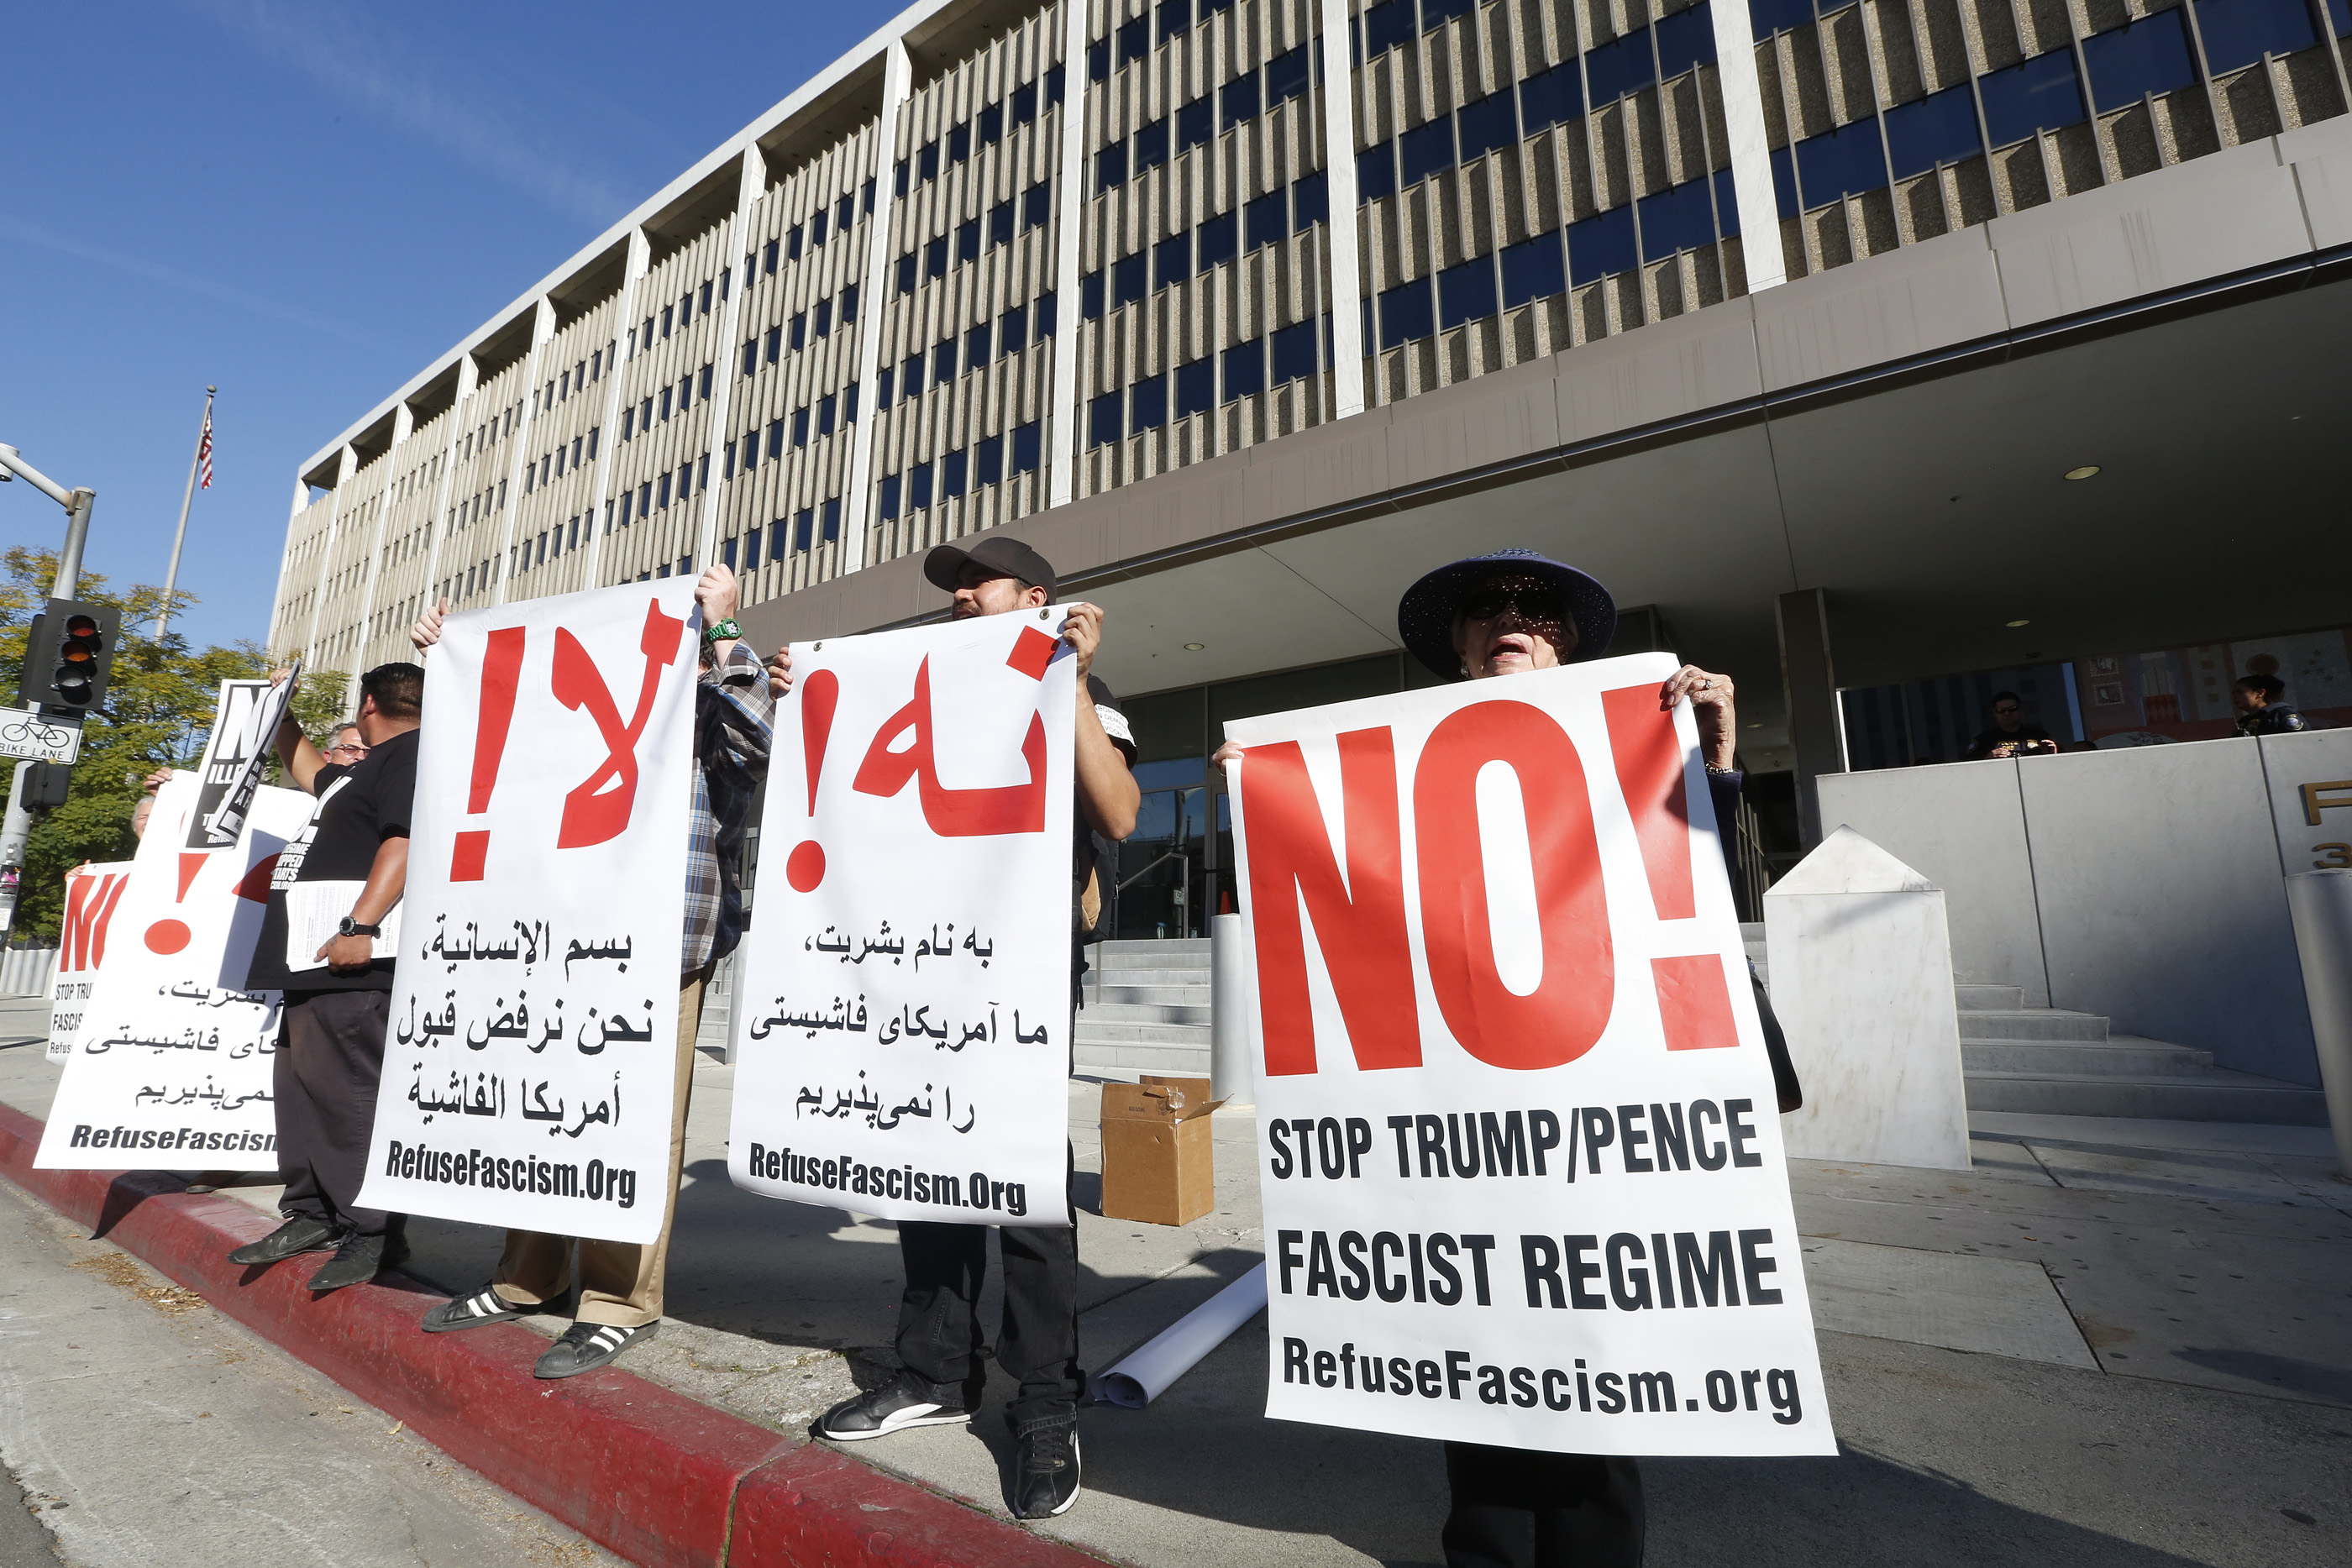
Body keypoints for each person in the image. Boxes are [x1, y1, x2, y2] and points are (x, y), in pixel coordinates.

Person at [1215, 548, 1798, 1568]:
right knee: (1473, 1354)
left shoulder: (1644, 738)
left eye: (1533, 607)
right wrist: (1266, 799)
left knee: (1594, 1367)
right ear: (1457, 643)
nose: (1508, 618)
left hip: (1604, 1107)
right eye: (1485, 608)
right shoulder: (1389, 768)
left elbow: (1703, 908)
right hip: (1462, 1115)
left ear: (1565, 640)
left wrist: (1709, 769)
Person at [770, 533, 1138, 1520]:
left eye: (981, 583)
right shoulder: (913, 693)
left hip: (1010, 973)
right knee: (921, 1156)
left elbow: (1122, 808)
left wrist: (1068, 681)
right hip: (909, 967)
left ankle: (1046, 1399)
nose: (963, 597)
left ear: (1038, 597)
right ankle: (935, 1369)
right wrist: (804, 699)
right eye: (955, 587)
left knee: (1021, 1181)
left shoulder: (1075, 692)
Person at [412, 565, 774, 1377]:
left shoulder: (699, 710)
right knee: (538, 1115)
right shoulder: (555, 729)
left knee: (634, 1124)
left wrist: (721, 632)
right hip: (544, 944)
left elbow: (760, 735)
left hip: (654, 949)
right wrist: (454, 658)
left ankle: (617, 1301)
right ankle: (525, 1279)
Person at [228, 663, 424, 1293]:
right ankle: (311, 1212)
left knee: (350, 1098)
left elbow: (405, 841)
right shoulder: (357, 774)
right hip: (312, 960)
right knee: (301, 1090)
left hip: (355, 959)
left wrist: (359, 925)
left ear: (368, 704)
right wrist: (278, 708)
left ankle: (373, 1230)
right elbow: (301, 758)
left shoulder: (411, 755)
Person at [1962, 691, 2058, 760]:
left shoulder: (2040, 737)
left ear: (2021, 710)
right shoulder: (1984, 740)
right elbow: (1966, 770)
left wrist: (2053, 756)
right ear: (1994, 713)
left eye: (2012, 709)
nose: (2007, 714)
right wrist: (1987, 759)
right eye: (2001, 711)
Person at [2232, 673, 2307, 736]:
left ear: (2260, 693)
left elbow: (2300, 740)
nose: (2235, 696)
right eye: (2233, 693)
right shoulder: (2245, 722)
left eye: (2240, 692)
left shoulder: (2281, 714)